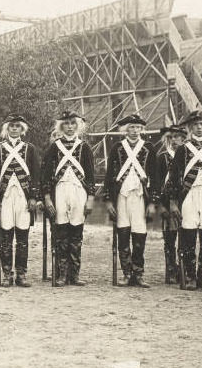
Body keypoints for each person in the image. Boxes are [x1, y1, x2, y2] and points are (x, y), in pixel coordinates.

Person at [167, 110, 202, 291]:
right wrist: (173, 202)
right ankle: (190, 276)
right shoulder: (183, 150)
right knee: (188, 237)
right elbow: (174, 177)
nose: (199, 128)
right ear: (190, 128)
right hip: (188, 196)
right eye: (195, 125)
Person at [40, 110, 95, 287]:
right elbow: (46, 175)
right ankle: (61, 274)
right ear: (61, 127)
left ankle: (74, 275)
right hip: (60, 191)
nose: (70, 127)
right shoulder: (54, 147)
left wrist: (91, 198)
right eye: (66, 124)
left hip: (79, 191)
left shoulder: (84, 147)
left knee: (76, 233)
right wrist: (47, 198)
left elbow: (91, 174)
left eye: (73, 124)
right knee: (60, 233)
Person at [0, 114, 41, 287]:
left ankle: (21, 274)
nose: (15, 129)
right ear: (7, 128)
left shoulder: (29, 148)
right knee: (6, 237)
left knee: (23, 237)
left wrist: (33, 197)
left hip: (23, 197)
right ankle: (7, 274)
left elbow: (36, 174)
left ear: (22, 129)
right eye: (11, 126)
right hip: (5, 197)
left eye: (18, 126)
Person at [103, 113, 156, 287]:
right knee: (123, 234)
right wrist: (109, 201)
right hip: (121, 196)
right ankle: (126, 273)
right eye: (131, 127)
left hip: (141, 196)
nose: (134, 131)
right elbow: (110, 176)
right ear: (126, 129)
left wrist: (153, 203)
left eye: (138, 127)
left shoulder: (148, 148)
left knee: (140, 235)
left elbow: (155, 178)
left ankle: (138, 274)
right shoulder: (117, 148)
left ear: (142, 129)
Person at [154, 124, 187, 284]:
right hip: (168, 203)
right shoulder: (162, 158)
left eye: (179, 137)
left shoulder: (188, 156)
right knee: (170, 239)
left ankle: (184, 269)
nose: (175, 140)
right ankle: (171, 269)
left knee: (186, 238)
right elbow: (157, 183)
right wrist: (161, 205)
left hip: (186, 201)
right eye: (172, 137)